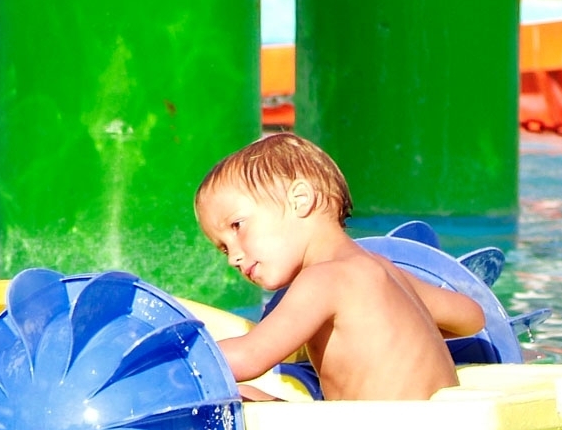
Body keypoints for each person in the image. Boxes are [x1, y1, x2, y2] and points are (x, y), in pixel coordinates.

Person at [193, 133, 484, 401]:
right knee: (253, 396)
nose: (233, 257)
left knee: (236, 400)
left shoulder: (324, 279)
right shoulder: (382, 269)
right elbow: (472, 317)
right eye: (223, 248)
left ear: (300, 200)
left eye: (237, 225)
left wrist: (171, 361)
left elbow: (249, 357)